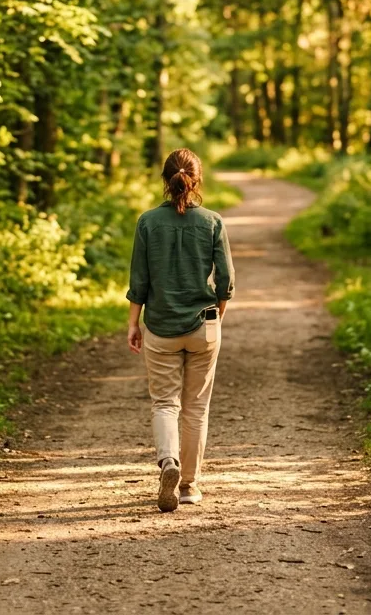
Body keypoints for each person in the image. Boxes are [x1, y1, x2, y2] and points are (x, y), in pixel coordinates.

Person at [126, 148, 235, 513]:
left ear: (165, 180)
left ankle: (168, 461)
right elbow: (226, 281)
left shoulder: (147, 222)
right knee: (196, 408)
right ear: (197, 180)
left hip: (161, 327)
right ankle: (188, 485)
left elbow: (139, 280)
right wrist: (216, 314)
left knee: (164, 403)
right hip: (203, 325)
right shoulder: (213, 221)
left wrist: (133, 323)